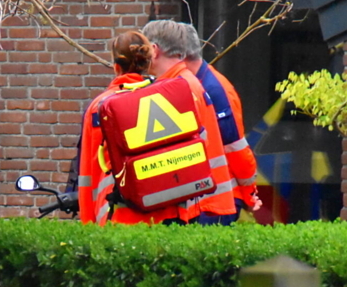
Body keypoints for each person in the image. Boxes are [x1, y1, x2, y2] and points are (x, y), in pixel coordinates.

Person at [77, 31, 234, 225]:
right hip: (171, 212)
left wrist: (87, 224)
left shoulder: (99, 107)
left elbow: (87, 172)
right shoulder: (171, 95)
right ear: (149, 60)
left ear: (116, 65)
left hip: (119, 213)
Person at [143, 20, 262, 224]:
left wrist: (249, 189)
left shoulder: (214, 89)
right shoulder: (195, 84)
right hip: (203, 197)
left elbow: (234, 145)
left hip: (215, 200)